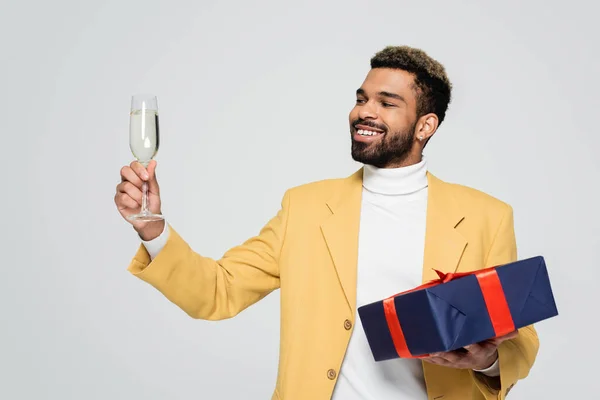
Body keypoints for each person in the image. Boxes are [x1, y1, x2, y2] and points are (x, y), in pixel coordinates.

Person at [114, 45, 539, 400]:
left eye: (387, 103)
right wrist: (152, 230)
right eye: (361, 98)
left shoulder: (487, 216)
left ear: (426, 125)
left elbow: (518, 339)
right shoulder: (306, 207)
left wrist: (484, 359)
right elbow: (216, 292)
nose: (363, 112)